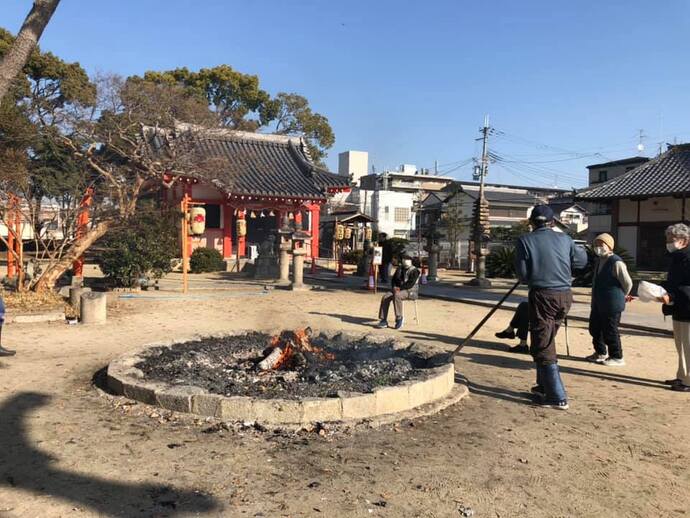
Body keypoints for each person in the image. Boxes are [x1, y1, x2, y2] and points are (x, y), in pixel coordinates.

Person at [515, 205, 588, 410]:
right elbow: (582, 262)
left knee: (543, 343)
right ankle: (543, 386)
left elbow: (522, 276)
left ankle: (557, 396)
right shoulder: (566, 239)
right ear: (553, 222)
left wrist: (534, 273)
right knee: (547, 339)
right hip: (565, 295)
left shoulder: (525, 241)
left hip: (542, 295)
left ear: (531, 223)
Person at [586, 233, 633, 366]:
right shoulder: (599, 260)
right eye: (596, 245)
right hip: (598, 302)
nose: (598, 247)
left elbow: (628, 282)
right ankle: (600, 352)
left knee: (610, 330)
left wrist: (622, 295)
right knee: (595, 328)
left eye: (601, 245)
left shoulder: (616, 262)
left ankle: (617, 356)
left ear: (609, 246)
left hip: (612, 303)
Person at [659, 223, 690, 392]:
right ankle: (682, 376)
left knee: (688, 345)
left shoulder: (687, 257)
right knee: (681, 346)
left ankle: (688, 380)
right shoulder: (677, 257)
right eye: (667, 239)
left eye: (672, 239)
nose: (669, 243)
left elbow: (686, 285)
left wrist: (672, 294)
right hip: (679, 307)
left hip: (687, 307)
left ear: (684, 240)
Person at [375, 254, 420, 330]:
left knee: (397, 296)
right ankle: (383, 319)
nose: (405, 261)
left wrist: (400, 288)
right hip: (398, 289)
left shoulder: (415, 271)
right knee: (385, 296)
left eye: (407, 260)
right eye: (403, 259)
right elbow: (394, 280)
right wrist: (394, 287)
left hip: (411, 291)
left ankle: (399, 318)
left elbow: (410, 283)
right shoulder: (399, 269)